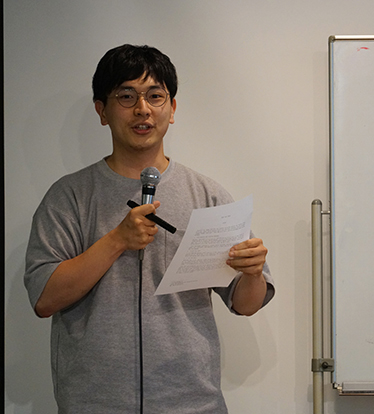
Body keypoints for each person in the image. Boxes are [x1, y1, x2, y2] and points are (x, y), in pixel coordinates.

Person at [24, 44, 275, 414]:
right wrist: (116, 241)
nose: (142, 109)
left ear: (172, 109)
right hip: (93, 403)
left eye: (155, 96)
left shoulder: (206, 195)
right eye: (126, 96)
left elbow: (245, 303)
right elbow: (44, 299)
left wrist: (252, 272)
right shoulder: (69, 196)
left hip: (191, 402)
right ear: (102, 110)